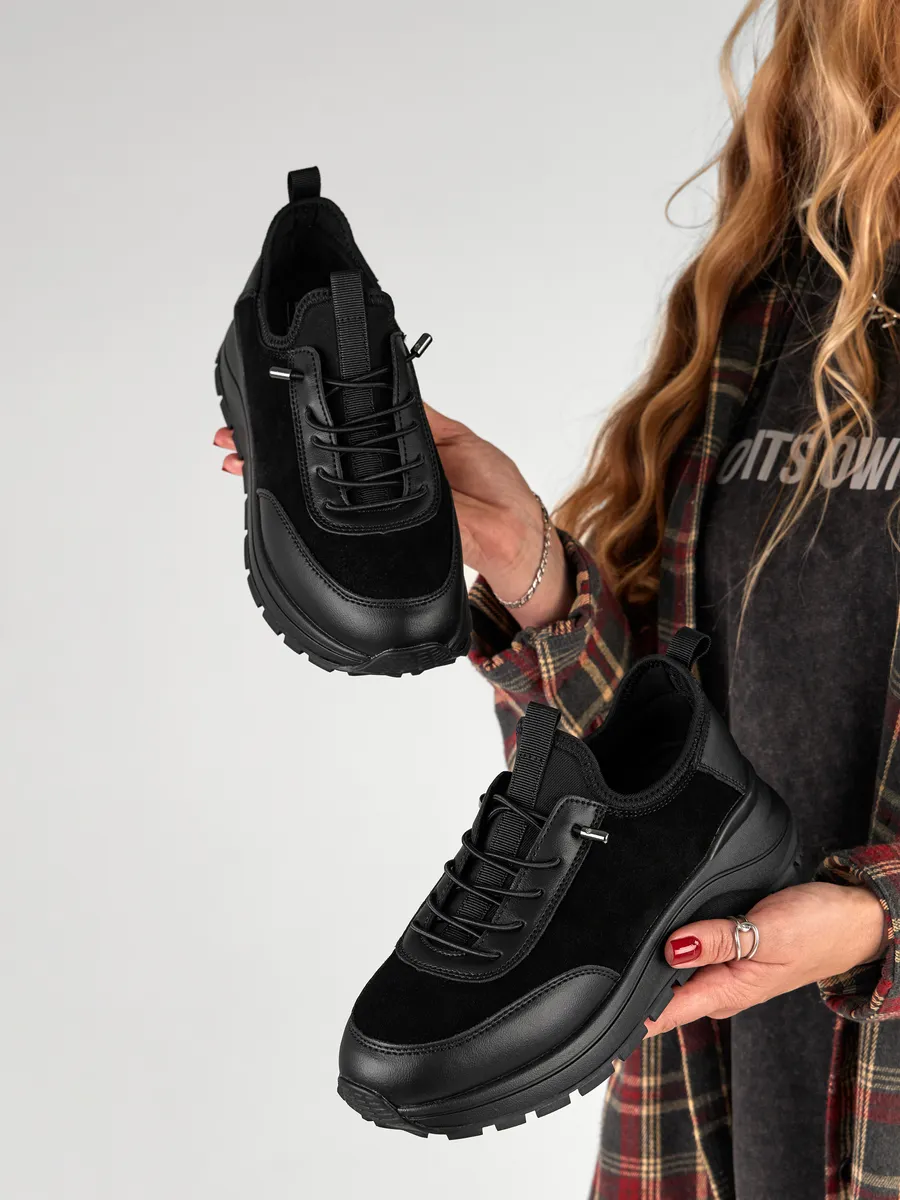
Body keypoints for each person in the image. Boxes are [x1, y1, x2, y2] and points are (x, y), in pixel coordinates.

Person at [214, 3, 900, 1195]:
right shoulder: (772, 308)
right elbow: (660, 758)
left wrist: (873, 919)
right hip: (708, 1132)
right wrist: (529, 566)